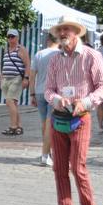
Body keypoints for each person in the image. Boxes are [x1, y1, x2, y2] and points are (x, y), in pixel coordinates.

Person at [43, 15, 103, 205]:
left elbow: (102, 87)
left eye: (67, 30)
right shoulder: (55, 59)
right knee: (59, 168)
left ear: (76, 32)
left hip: (81, 118)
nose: (63, 34)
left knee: (77, 166)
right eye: (60, 30)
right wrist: (56, 100)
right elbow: (48, 90)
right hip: (59, 117)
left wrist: (87, 101)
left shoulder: (92, 56)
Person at [29, 33, 59, 166]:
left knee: (44, 123)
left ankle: (47, 151)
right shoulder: (60, 54)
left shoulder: (39, 54)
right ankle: (45, 155)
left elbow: (32, 76)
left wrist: (32, 93)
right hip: (53, 93)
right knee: (50, 124)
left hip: (40, 92)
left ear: (48, 41)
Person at [1, 29, 30, 135]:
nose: (10, 39)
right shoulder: (7, 49)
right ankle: (19, 126)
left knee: (10, 101)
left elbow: (27, 64)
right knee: (13, 104)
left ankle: (13, 127)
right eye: (8, 37)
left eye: (12, 36)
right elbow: (4, 65)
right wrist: (2, 79)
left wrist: (26, 78)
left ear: (17, 37)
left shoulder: (21, 49)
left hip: (16, 78)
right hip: (6, 79)